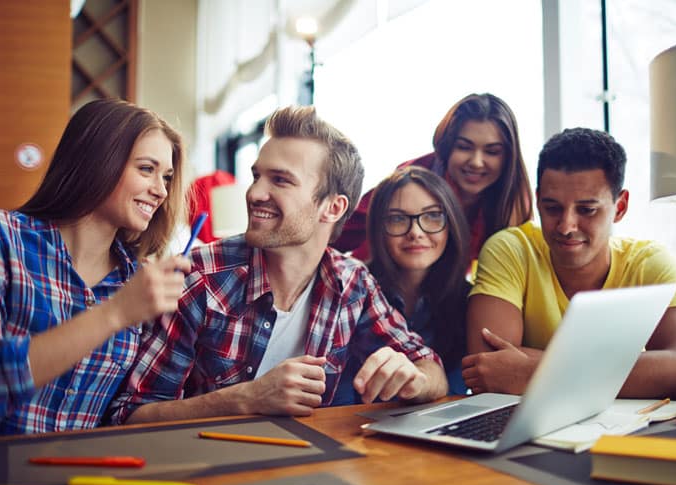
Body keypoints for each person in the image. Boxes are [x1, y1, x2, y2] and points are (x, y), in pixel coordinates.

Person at [108, 105, 448, 425]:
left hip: (303, 465)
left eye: (280, 180)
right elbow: (129, 414)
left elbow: (431, 369)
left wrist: (413, 380)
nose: (255, 193)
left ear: (332, 207)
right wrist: (243, 400)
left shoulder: (352, 282)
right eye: (257, 176)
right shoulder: (199, 277)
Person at [0, 98, 191, 436]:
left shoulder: (138, 282)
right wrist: (114, 314)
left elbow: (123, 414)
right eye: (146, 169)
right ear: (96, 161)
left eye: (166, 177)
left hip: (84, 481)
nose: (161, 191)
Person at [462, 127, 676, 398]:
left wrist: (531, 373)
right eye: (552, 208)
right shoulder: (510, 250)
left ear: (620, 207)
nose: (566, 226)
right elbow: (488, 366)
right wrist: (631, 373)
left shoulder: (649, 263)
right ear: (538, 200)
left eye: (587, 210)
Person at [334, 93, 533, 264]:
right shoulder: (412, 180)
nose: (476, 162)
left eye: (492, 151)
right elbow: (338, 234)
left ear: (508, 157)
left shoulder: (513, 200)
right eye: (464, 147)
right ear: (447, 147)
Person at [365, 167, 471, 395]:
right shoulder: (354, 291)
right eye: (397, 219)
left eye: (432, 216)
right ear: (378, 228)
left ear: (451, 225)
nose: (415, 232)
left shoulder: (471, 302)